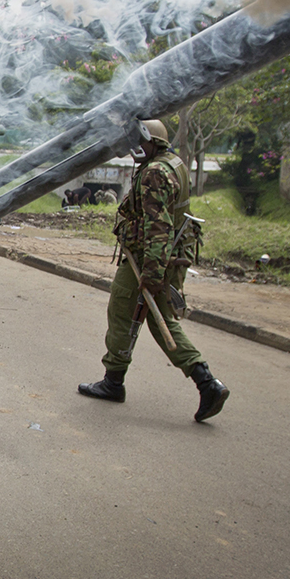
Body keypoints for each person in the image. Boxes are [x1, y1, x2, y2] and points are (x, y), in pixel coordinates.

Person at [77, 119, 230, 422]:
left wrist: (152, 272)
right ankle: (202, 381)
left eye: (139, 142)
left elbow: (158, 226)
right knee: (157, 321)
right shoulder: (173, 163)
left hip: (150, 258)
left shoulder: (154, 173)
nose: (134, 149)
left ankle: (119, 383)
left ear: (152, 141)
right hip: (168, 257)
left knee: (126, 313)